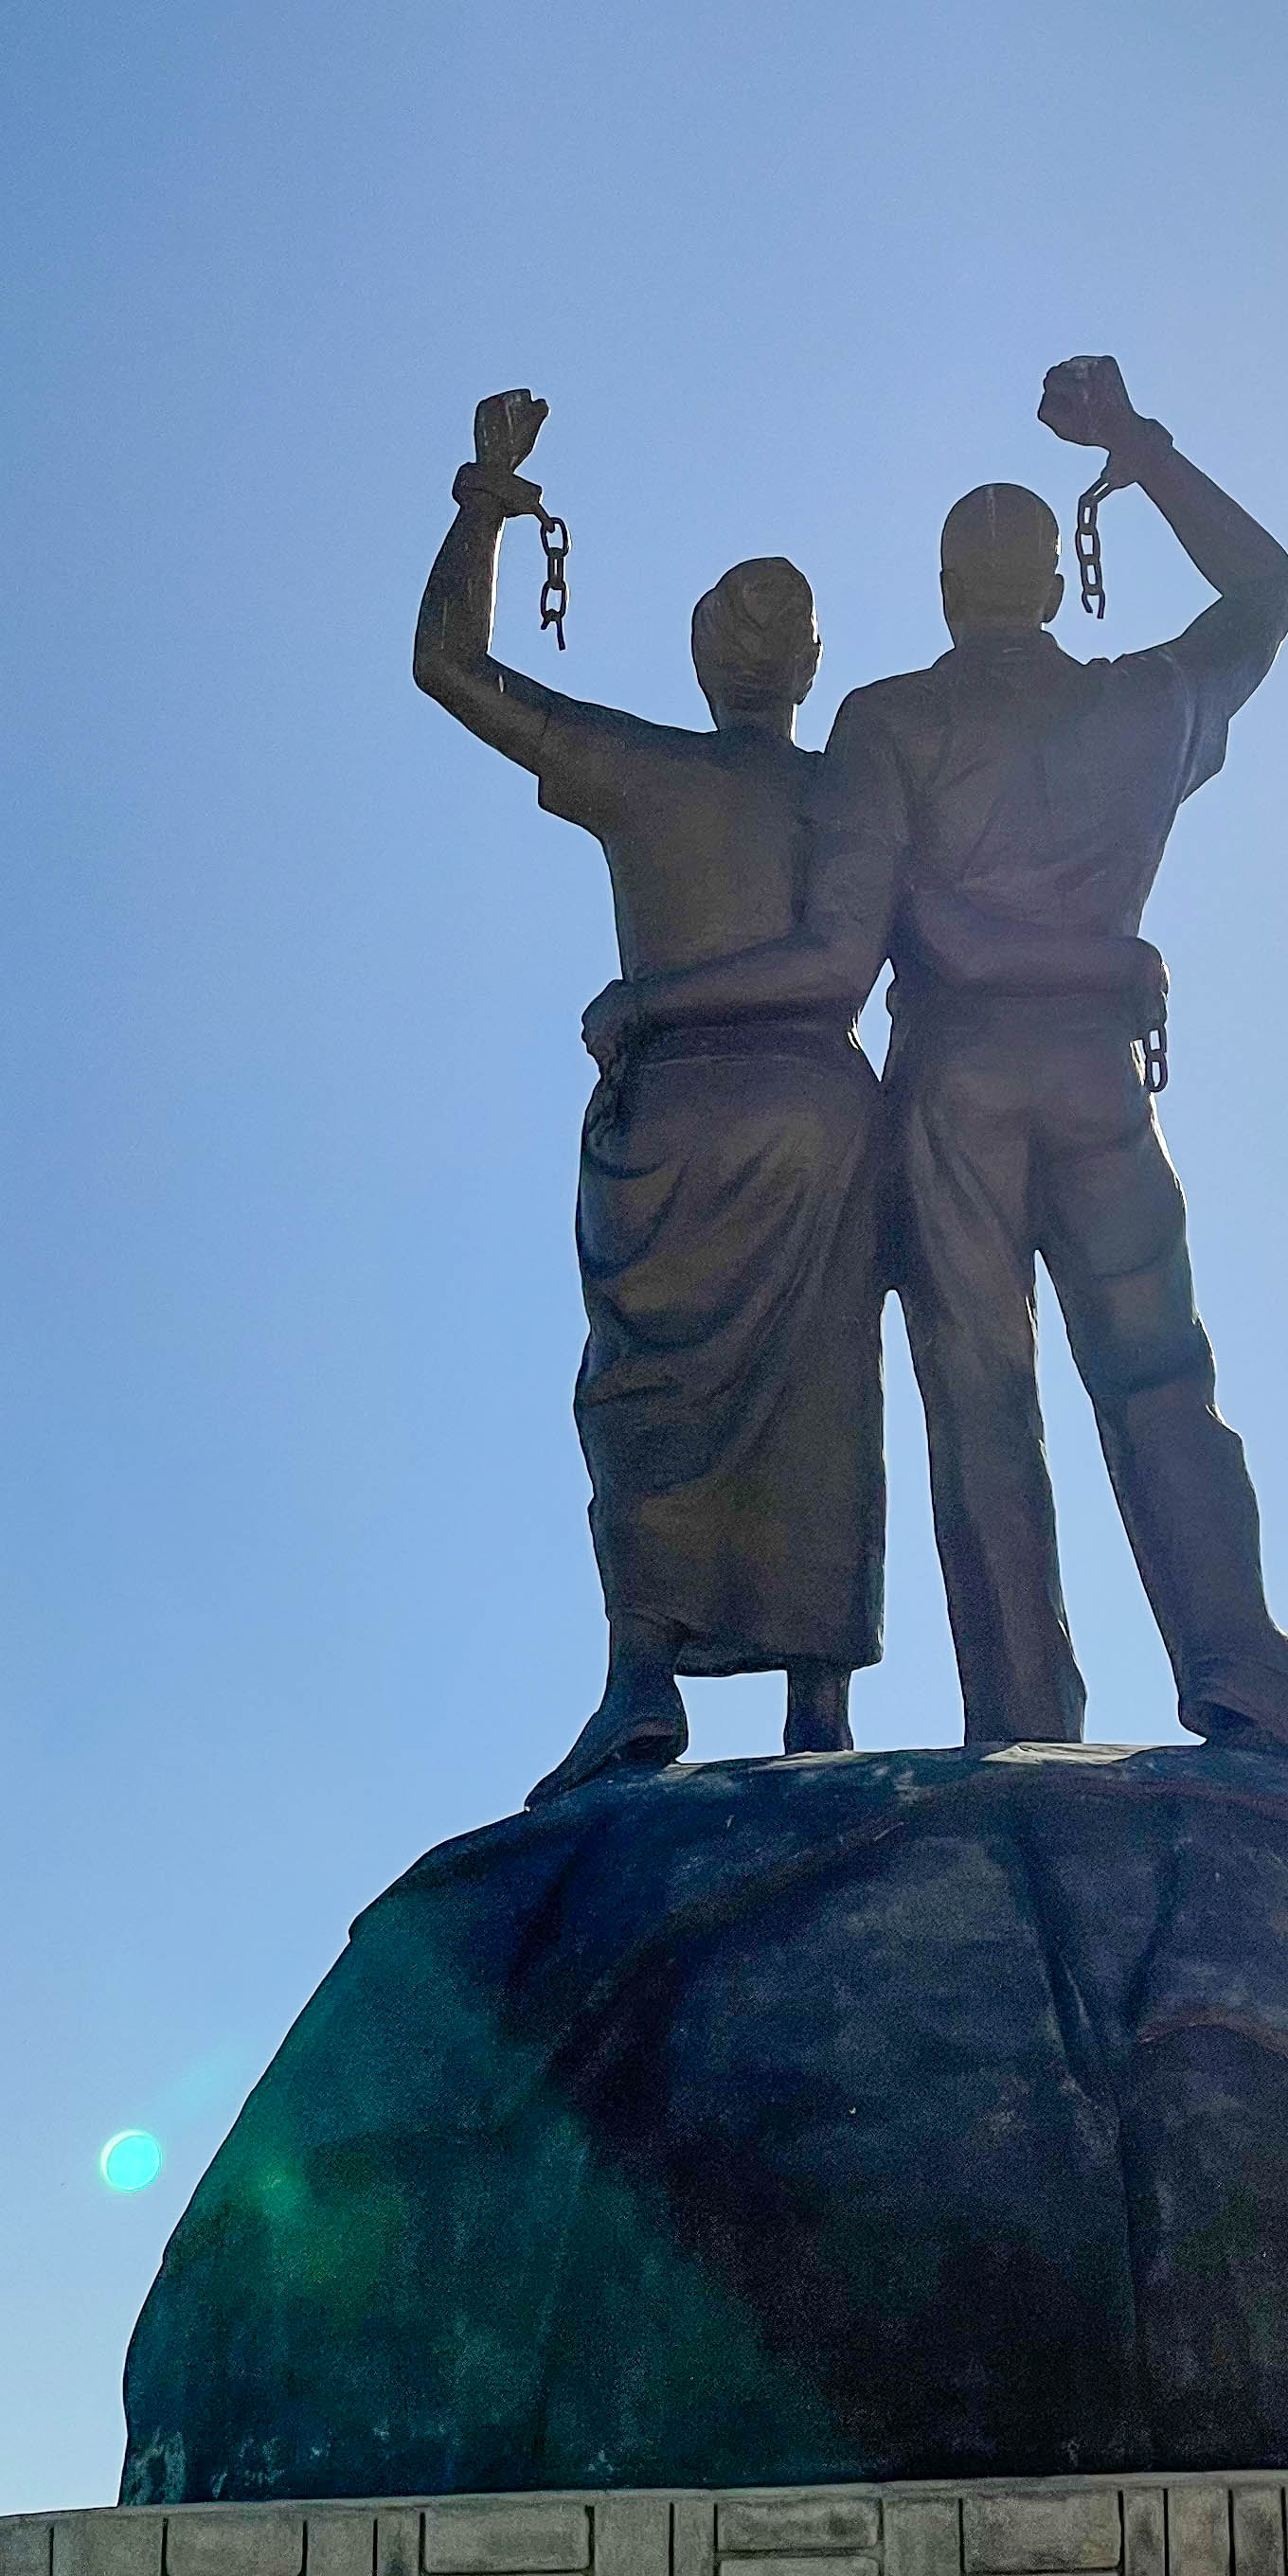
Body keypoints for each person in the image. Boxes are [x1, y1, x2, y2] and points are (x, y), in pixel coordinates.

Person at [611, 359, 1288, 1779]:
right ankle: (1245, 1676)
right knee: (1163, 1379)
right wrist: (1140, 454)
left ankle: (1023, 1728)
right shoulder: (1146, 703)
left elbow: (849, 953)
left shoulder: (890, 722)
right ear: (1049, 577)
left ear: (943, 586)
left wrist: (655, 1002)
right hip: (1101, 1084)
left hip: (957, 1093)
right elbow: (1268, 591)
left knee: (984, 1409)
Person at [413, 389, 883, 1803]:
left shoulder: (642, 772)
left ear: (701, 666)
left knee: (645, 1395)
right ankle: (819, 1708)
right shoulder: (856, 798)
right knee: (824, 1398)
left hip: (674, 1114)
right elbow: (874, 950)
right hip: (818, 1113)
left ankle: (640, 1678)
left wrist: (486, 498)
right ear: (809, 668)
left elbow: (450, 664)